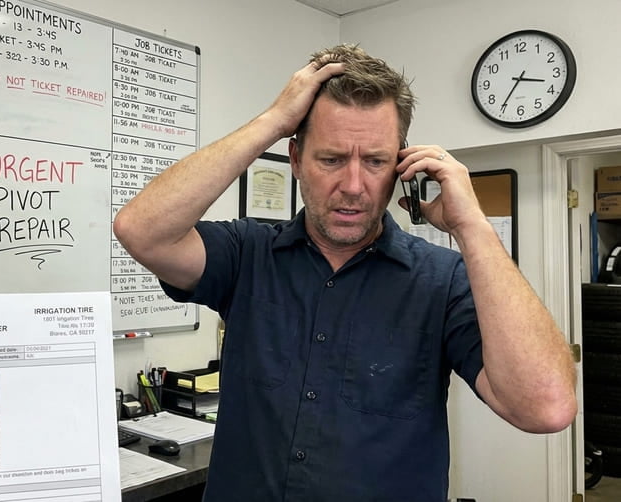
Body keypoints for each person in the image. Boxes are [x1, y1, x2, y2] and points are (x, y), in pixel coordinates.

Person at [112, 44, 577, 501]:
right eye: (331, 159)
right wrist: (273, 120)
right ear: (295, 160)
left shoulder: (443, 279)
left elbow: (546, 408)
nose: (353, 187)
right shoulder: (247, 253)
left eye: (375, 162)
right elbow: (141, 230)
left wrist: (471, 226)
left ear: (401, 168)